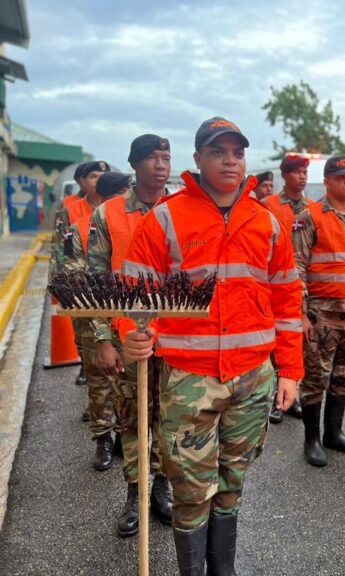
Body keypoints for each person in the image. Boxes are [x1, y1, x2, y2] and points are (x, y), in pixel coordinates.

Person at [122, 117, 303, 574]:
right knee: (189, 487)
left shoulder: (267, 221)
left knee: (232, 481)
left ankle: (223, 569)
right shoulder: (165, 216)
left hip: (253, 376)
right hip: (189, 378)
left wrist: (291, 370)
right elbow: (133, 290)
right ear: (198, 159)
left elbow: (285, 298)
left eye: (237, 153)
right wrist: (133, 332)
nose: (229, 160)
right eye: (218, 152)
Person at [88, 134, 174, 537]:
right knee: (133, 418)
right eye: (152, 158)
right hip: (128, 338)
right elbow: (96, 281)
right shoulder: (107, 215)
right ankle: (134, 493)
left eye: (165, 157)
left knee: (170, 418)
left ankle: (162, 489)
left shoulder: (182, 210)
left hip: (175, 338)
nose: (161, 164)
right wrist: (104, 338)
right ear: (135, 165)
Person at [293, 155, 345, 467]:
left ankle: (334, 432)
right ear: (327, 182)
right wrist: (300, 313)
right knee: (316, 377)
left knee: (344, 374)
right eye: (341, 177)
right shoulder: (310, 215)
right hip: (321, 314)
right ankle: (312, 439)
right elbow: (296, 265)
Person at [63, 171, 128, 471]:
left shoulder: (136, 221)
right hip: (94, 314)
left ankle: (122, 435)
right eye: (119, 194)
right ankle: (103, 437)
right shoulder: (80, 229)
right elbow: (72, 274)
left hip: (128, 315)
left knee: (126, 382)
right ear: (102, 198)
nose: (124, 199)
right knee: (100, 380)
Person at [262, 152, 313, 423]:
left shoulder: (312, 208)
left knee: (297, 344)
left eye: (305, 172)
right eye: (296, 171)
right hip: (272, 285)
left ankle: (290, 395)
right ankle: (272, 398)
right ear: (285, 175)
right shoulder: (267, 205)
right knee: (272, 344)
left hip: (301, 286)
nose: (302, 176)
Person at [51, 160, 110, 387]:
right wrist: (61, 289)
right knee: (85, 339)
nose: (99, 180)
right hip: (80, 287)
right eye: (93, 176)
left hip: (108, 287)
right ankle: (89, 375)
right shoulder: (70, 212)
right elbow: (59, 251)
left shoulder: (115, 208)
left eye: (103, 175)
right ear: (80, 181)